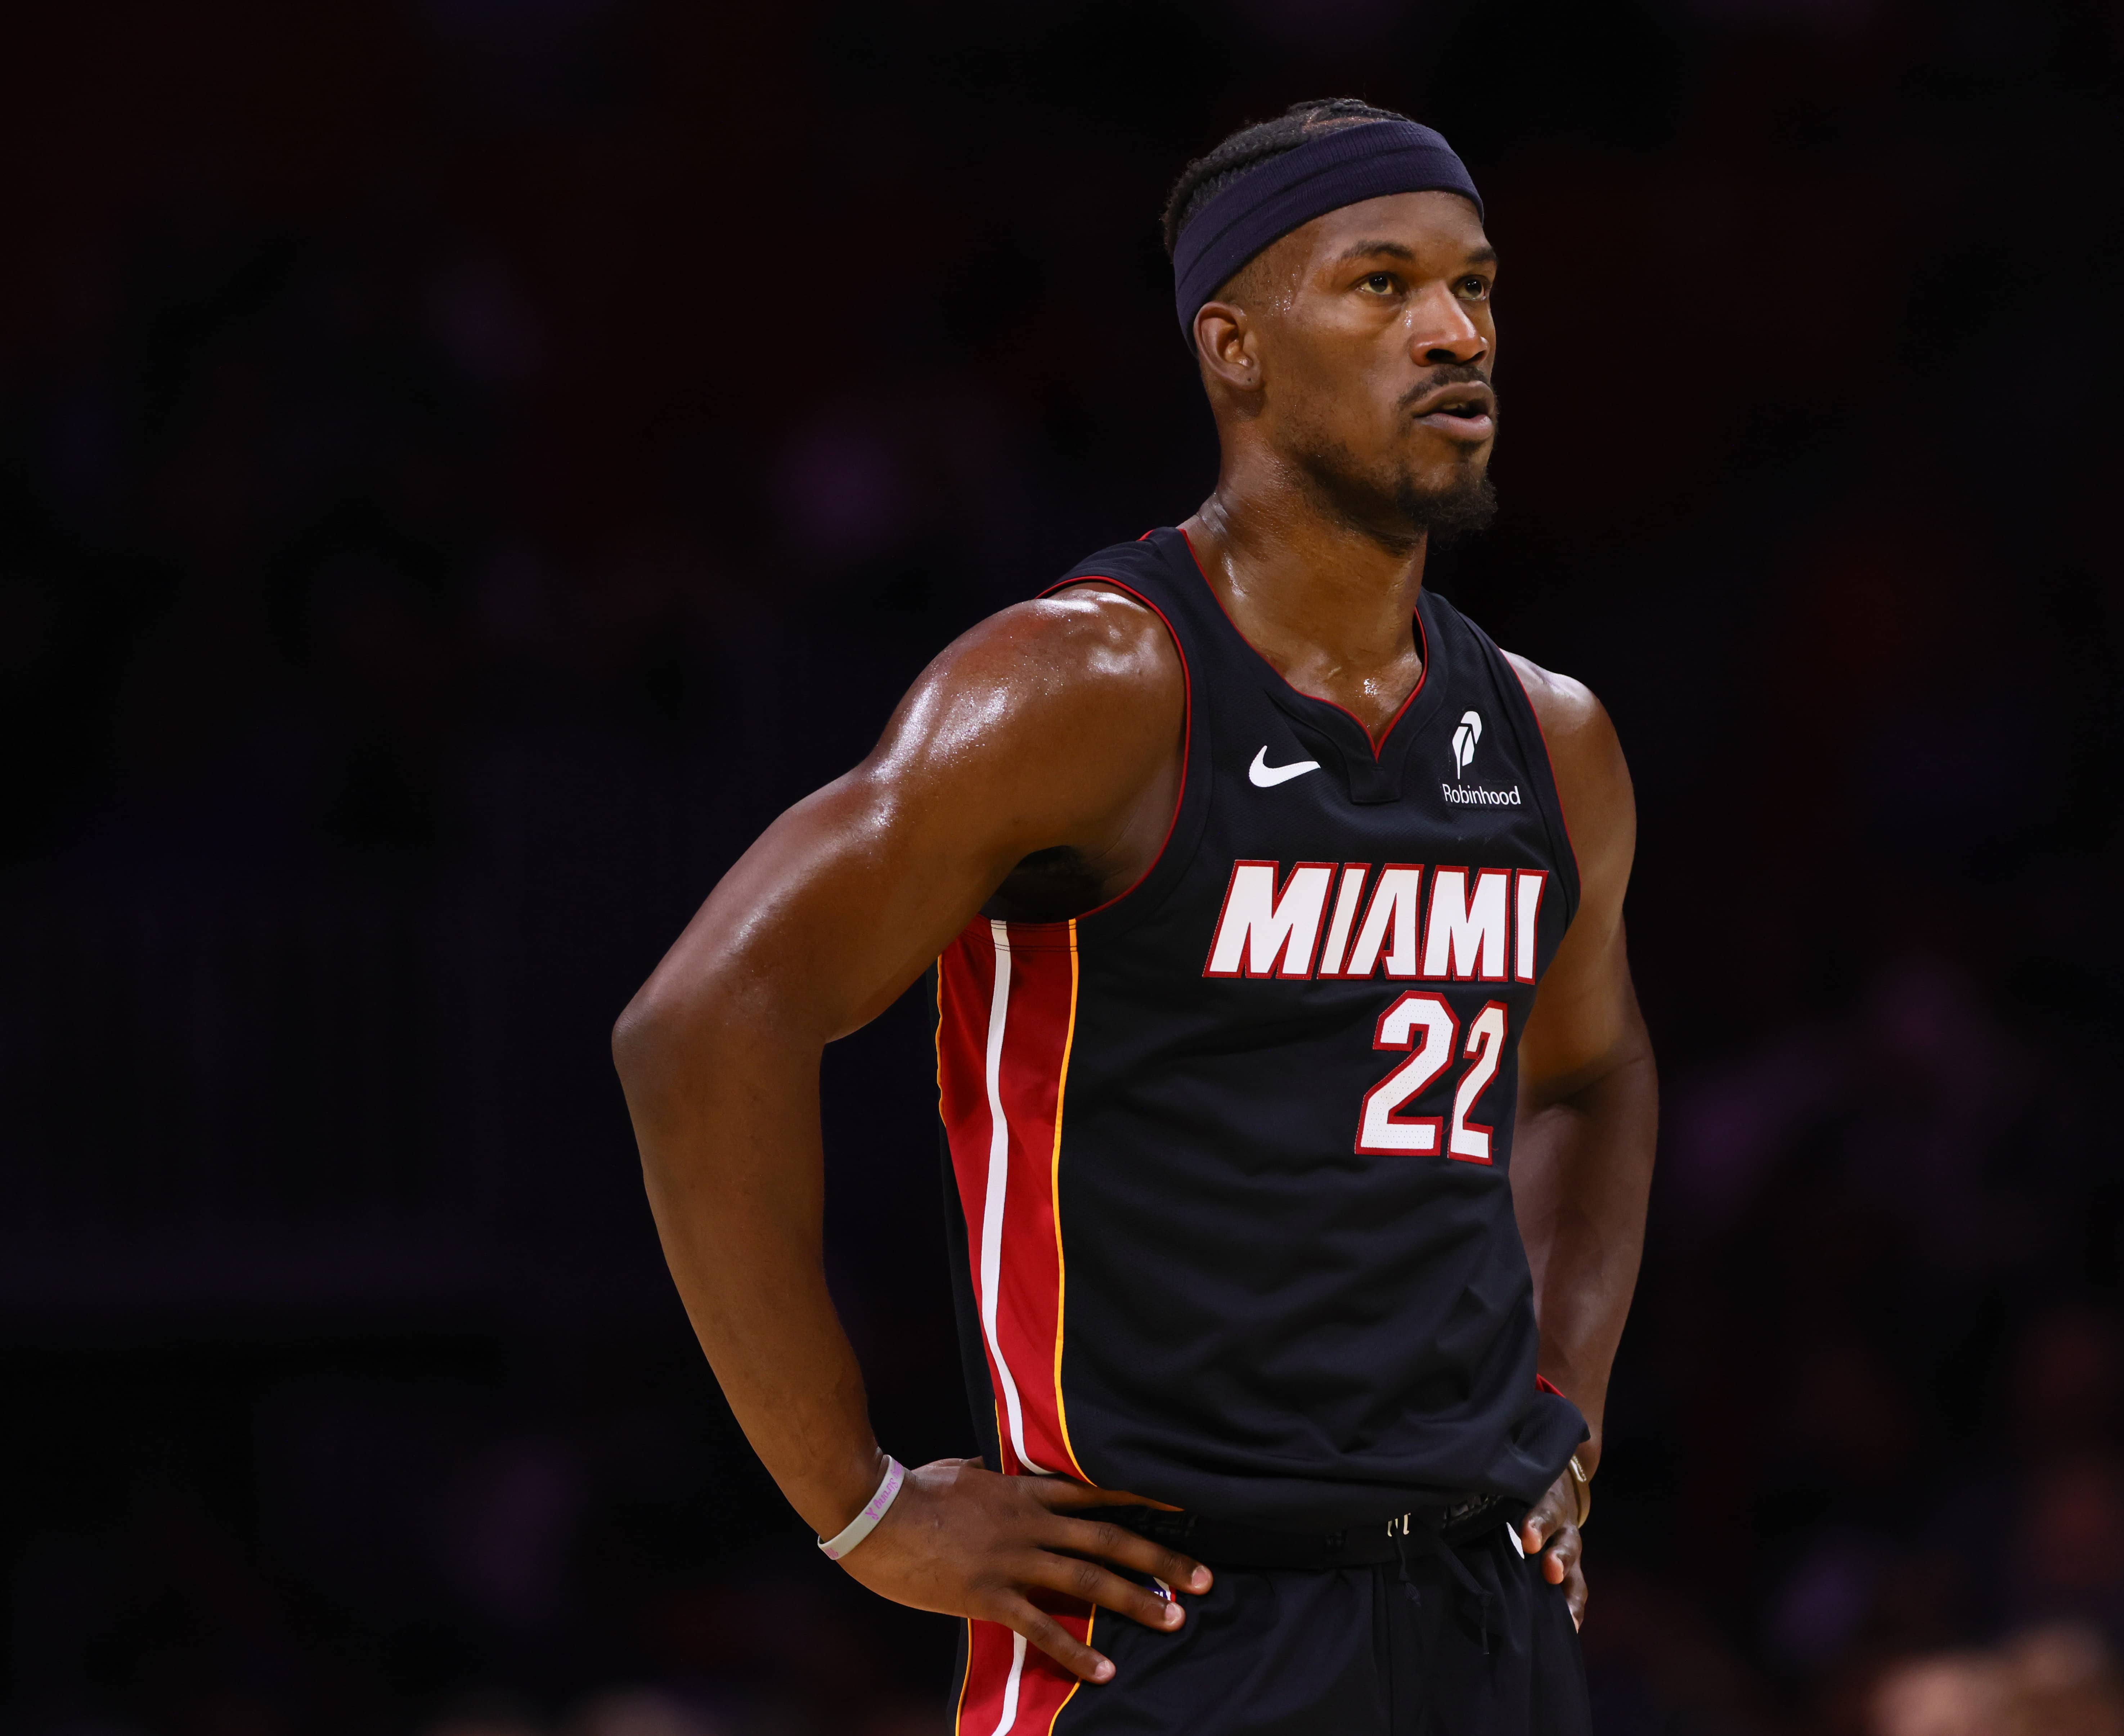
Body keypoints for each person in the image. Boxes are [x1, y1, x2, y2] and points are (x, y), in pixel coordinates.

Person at [612, 98, 1653, 1735]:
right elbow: (697, 1029)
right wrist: (863, 1506)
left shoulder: (1550, 736)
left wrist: (1568, 1405)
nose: (1454, 333)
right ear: (1231, 348)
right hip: (1170, 1625)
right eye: (1380, 287)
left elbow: (1592, 1075)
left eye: (1476, 286)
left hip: (1478, 1618)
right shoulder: (1085, 685)